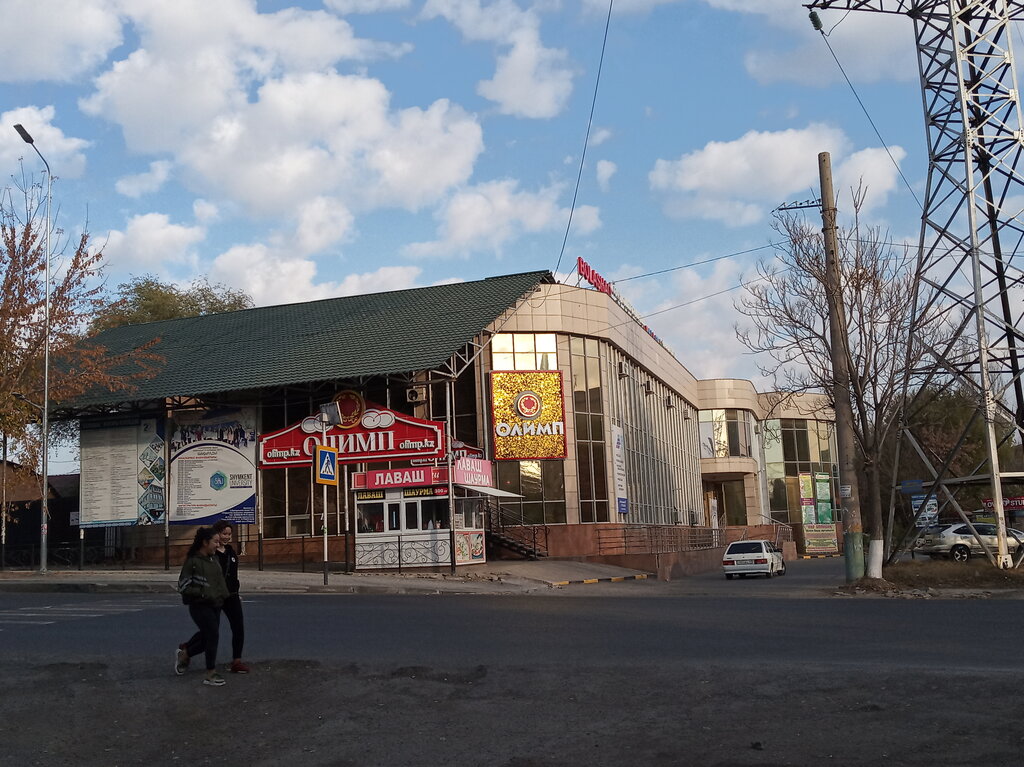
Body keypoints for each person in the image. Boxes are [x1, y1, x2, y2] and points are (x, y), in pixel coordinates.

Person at [175, 527, 230, 686]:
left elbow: (219, 582)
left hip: (216, 604)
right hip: (199, 605)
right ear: (205, 542)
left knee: (208, 637)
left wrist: (226, 597)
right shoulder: (193, 562)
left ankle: (185, 654)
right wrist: (203, 592)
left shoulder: (214, 559)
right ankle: (210, 673)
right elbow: (183, 586)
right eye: (215, 542)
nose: (218, 545)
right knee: (213, 635)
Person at [211, 520, 249, 674]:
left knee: (238, 627)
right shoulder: (210, 553)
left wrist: (237, 592)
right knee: (211, 631)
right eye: (224, 533)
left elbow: (233, 575)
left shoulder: (231, 552)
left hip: (232, 596)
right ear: (216, 534)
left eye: (229, 534)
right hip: (215, 597)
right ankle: (187, 651)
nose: (227, 537)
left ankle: (237, 661)